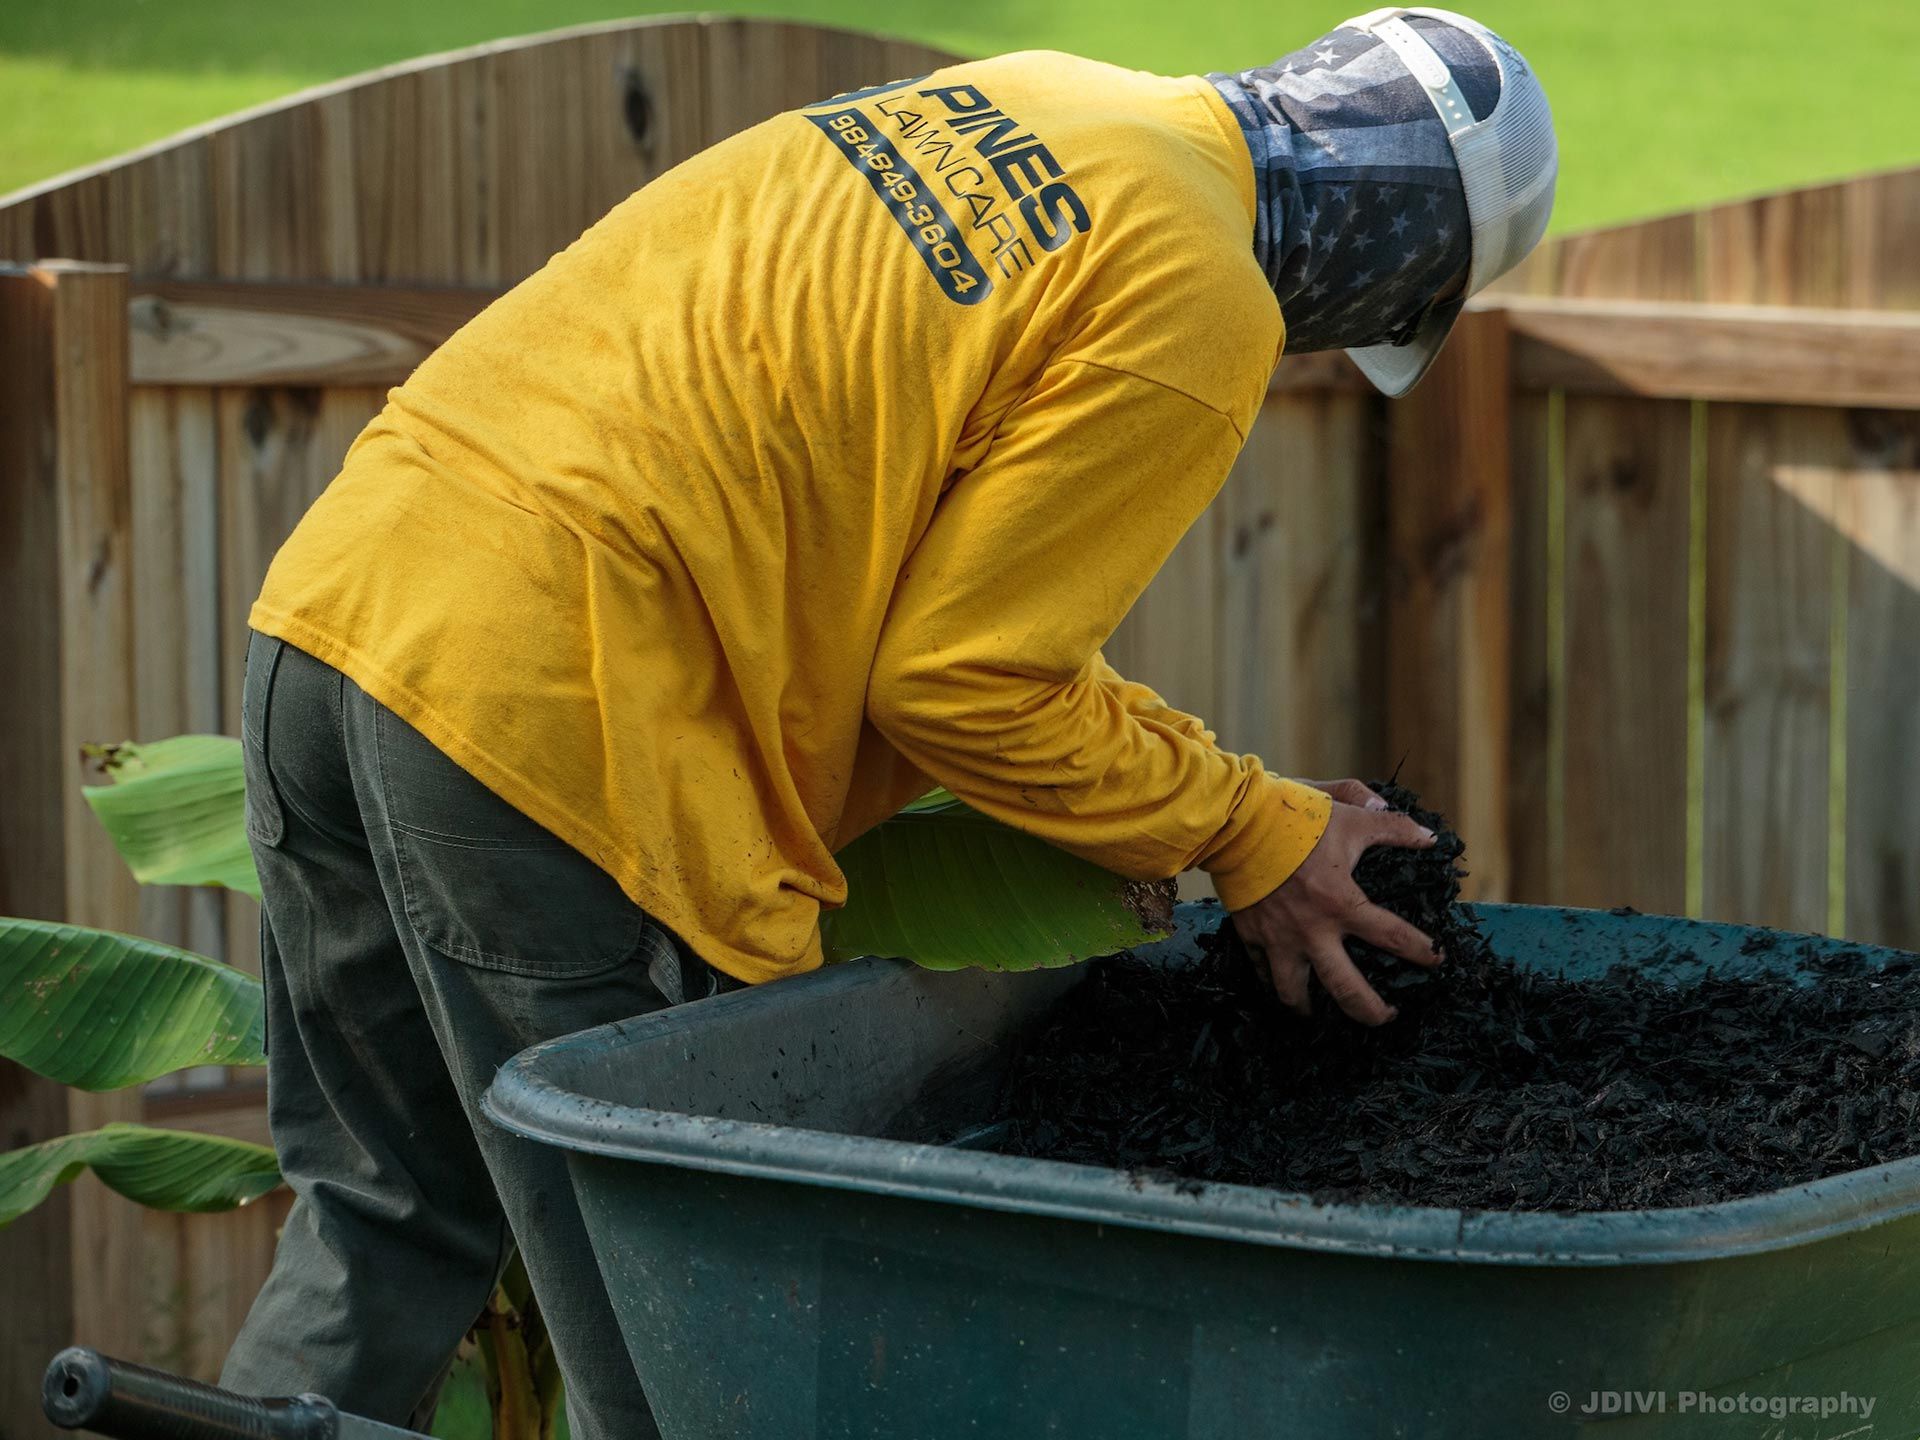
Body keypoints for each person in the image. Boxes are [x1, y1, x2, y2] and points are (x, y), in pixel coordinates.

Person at [220, 7, 1555, 1435]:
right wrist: (1251, 828)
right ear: (1403, 253)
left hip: (343, 599)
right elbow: (968, 682)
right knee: (673, 1336)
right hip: (552, 702)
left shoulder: (1045, 96)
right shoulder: (1199, 292)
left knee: (385, 1216)